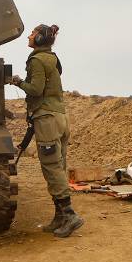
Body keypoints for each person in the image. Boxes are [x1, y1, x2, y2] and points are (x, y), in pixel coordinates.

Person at [11, 23, 83, 238]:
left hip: (47, 119)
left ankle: (69, 215)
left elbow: (36, 89)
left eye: (33, 33)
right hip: (60, 117)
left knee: (51, 167)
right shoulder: (53, 58)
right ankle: (59, 216)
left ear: (41, 38)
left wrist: (18, 82)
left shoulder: (37, 60)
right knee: (59, 166)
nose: (29, 36)